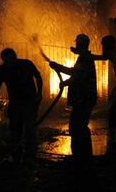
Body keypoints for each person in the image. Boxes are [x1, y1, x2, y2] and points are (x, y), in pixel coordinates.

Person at [0, 48, 43, 169]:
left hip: (29, 101)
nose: (8, 63)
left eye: (9, 59)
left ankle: (30, 157)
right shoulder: (3, 69)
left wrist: (39, 93)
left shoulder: (26, 64)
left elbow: (38, 76)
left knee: (30, 129)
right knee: (15, 129)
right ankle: (17, 156)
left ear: (14, 57)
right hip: (15, 102)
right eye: (5, 60)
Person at [49, 34, 97, 164]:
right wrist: (64, 81)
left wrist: (57, 67)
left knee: (77, 127)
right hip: (85, 99)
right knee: (80, 127)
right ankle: (84, 156)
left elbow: (75, 74)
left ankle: (81, 157)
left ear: (80, 45)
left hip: (84, 99)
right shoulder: (85, 57)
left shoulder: (84, 58)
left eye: (78, 45)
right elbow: (77, 75)